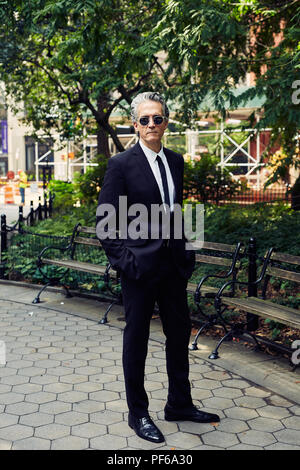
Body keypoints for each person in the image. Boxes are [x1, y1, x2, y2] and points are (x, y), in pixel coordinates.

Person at [96, 92, 220, 444]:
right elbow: (106, 222)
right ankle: (138, 414)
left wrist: (188, 254)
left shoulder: (176, 161)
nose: (153, 124)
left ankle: (179, 403)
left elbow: (179, 212)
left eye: (159, 118)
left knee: (179, 336)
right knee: (136, 341)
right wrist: (126, 263)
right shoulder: (121, 165)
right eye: (146, 119)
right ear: (135, 125)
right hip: (139, 270)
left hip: (172, 268)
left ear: (166, 122)